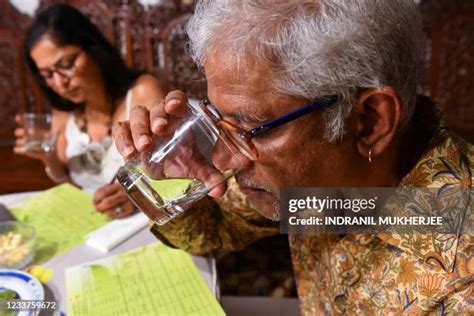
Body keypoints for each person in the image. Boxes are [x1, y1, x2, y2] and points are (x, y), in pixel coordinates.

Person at [114, 1, 473, 314]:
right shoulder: (341, 190)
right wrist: (180, 174)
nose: (225, 158)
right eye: (219, 118)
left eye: (254, 127)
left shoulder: (459, 283)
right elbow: (214, 231)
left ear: (369, 122)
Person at [14, 4, 165, 218]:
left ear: (93, 49)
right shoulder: (64, 112)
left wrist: (137, 193)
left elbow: (174, 166)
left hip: (148, 218)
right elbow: (69, 182)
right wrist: (48, 158)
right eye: (47, 75)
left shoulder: (142, 92)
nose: (59, 83)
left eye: (66, 64)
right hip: (95, 222)